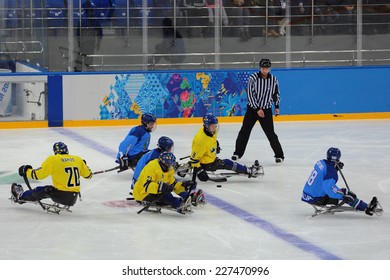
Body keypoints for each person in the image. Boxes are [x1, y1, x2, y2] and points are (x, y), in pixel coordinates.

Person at [232, 58, 285, 163]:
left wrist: (277, 107)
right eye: (263, 68)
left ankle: (279, 155)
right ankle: (237, 153)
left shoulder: (274, 79)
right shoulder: (253, 78)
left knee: (270, 133)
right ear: (260, 68)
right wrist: (257, 109)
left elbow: (276, 94)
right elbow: (250, 95)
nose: (265, 70)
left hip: (266, 111)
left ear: (269, 69)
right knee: (244, 131)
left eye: (267, 68)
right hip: (252, 110)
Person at [301, 147, 380, 216]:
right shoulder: (331, 172)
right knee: (347, 194)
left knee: (343, 192)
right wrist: (343, 196)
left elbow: (324, 175)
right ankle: (367, 208)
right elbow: (329, 190)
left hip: (307, 194)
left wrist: (334, 167)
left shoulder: (321, 163)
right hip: (316, 198)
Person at [10, 142, 92, 207]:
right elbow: (89, 175)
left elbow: (39, 175)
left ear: (55, 151)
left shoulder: (53, 159)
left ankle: (20, 196)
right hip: (73, 197)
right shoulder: (78, 159)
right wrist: (84, 165)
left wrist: (26, 171)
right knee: (49, 189)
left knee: (41, 190)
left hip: (60, 195)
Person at [189, 113, 262, 182]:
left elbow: (209, 141)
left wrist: (215, 145)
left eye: (215, 126)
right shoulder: (201, 140)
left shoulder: (209, 131)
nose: (215, 128)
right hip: (207, 164)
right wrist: (199, 170)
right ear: (207, 126)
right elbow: (193, 159)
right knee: (228, 163)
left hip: (208, 157)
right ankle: (249, 171)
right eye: (213, 126)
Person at [133, 151, 202, 213]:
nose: (169, 166)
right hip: (142, 193)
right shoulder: (152, 167)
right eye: (167, 164)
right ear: (162, 162)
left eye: (170, 164)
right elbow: (146, 186)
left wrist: (184, 185)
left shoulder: (169, 169)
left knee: (167, 191)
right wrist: (161, 187)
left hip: (156, 190)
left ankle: (189, 196)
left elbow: (172, 184)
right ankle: (179, 204)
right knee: (166, 196)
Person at [74, 0, 103, 72]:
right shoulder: (86, 18)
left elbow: (99, 31)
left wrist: (79, 41)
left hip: (87, 41)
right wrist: (98, 42)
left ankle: (83, 70)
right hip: (88, 41)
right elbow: (100, 32)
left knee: (83, 58)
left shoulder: (85, 18)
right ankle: (84, 69)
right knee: (84, 58)